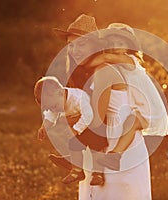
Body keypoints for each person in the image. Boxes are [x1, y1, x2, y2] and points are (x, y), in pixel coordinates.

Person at [53, 14, 153, 199]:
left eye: (81, 44)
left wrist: (73, 126)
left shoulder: (103, 71)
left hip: (113, 141)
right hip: (106, 139)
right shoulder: (91, 71)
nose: (74, 50)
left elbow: (96, 118)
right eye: (71, 45)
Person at [86, 23, 168, 171]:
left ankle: (115, 155)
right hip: (135, 105)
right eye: (113, 43)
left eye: (120, 43)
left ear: (129, 46)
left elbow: (105, 56)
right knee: (129, 124)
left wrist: (84, 65)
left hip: (147, 107)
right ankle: (113, 157)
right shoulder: (116, 63)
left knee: (132, 123)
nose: (116, 46)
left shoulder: (130, 59)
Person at [34, 76, 107, 186]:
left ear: (60, 92)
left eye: (54, 106)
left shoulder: (78, 97)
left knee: (96, 146)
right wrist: (44, 127)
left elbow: (88, 115)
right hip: (79, 124)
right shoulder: (56, 101)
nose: (55, 110)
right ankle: (77, 171)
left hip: (93, 124)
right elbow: (51, 115)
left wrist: (76, 129)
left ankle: (98, 173)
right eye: (51, 108)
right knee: (74, 145)